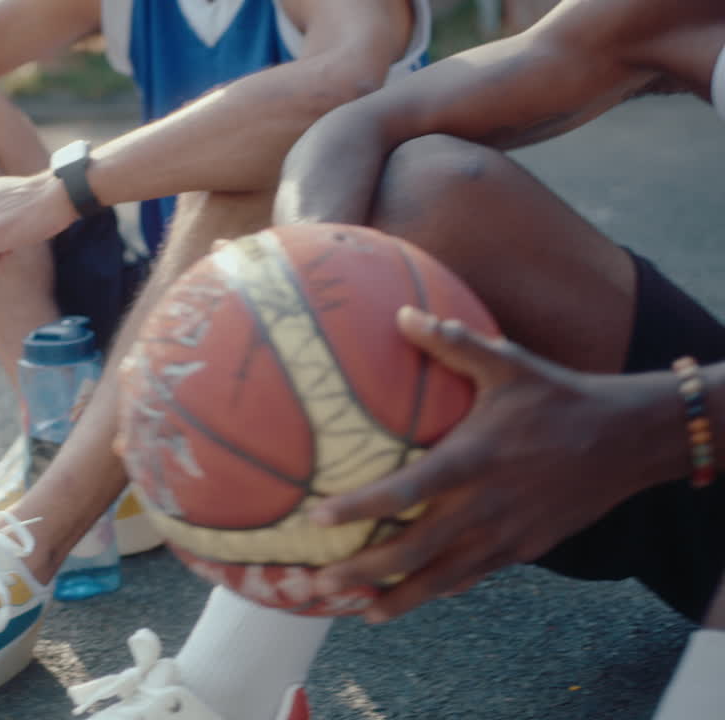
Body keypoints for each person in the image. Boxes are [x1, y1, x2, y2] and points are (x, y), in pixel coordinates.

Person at [68, 0, 725, 717]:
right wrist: (298, 302)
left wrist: (653, 423)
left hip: (682, 423)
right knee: (426, 189)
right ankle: (230, 691)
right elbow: (360, 123)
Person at [0, 1, 432, 719]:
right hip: (179, 296)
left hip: (321, 346)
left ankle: (30, 545)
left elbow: (334, 88)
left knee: (256, 157)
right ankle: (79, 449)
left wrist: (65, 189)